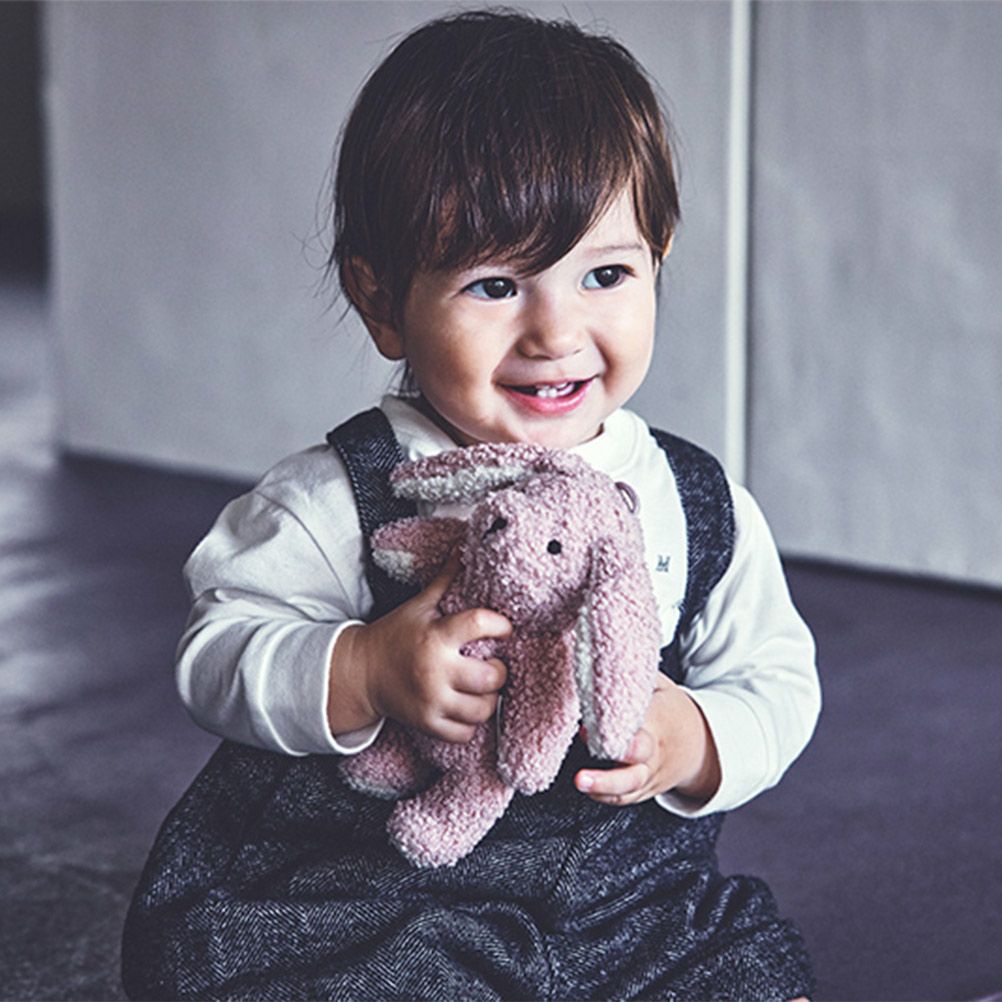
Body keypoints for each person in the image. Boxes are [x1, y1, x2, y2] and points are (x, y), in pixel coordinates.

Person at [122, 10, 821, 1000]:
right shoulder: (341, 496)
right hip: (379, 896)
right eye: (495, 286)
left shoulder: (695, 500)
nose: (556, 332)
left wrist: (696, 739)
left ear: (659, 256)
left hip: (626, 906)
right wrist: (362, 668)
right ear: (381, 301)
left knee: (744, 969)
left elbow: (777, 680)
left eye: (605, 275)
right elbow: (216, 654)